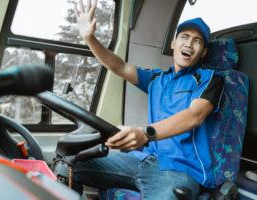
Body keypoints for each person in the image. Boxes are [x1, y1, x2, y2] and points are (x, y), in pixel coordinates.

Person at [72, 0, 224, 199]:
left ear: (203, 51)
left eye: (197, 41)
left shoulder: (210, 78)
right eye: (184, 37)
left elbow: (195, 115)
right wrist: (90, 38)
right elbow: (119, 67)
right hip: (143, 159)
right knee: (71, 165)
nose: (189, 43)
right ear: (173, 43)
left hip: (181, 170)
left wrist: (146, 133)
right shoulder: (156, 79)